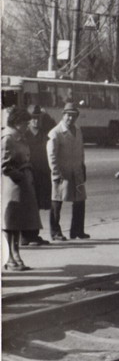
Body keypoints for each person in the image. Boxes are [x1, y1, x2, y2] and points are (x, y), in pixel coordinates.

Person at [2, 107, 42, 270]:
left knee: (17, 222)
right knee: (9, 223)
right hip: (11, 185)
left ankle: (16, 254)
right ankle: (9, 258)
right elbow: (4, 165)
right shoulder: (8, 138)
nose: (28, 125)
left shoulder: (20, 136)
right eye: (25, 123)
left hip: (21, 184)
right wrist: (21, 175)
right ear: (17, 123)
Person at [47, 102, 88, 241]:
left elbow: (81, 149)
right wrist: (56, 172)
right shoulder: (55, 133)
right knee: (57, 202)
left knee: (80, 201)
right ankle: (55, 232)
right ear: (63, 115)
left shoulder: (78, 129)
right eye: (68, 115)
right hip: (62, 173)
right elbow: (51, 156)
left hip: (77, 171)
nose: (71, 119)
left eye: (74, 116)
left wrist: (83, 166)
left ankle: (77, 231)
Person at [22, 106, 53, 246]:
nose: (35, 121)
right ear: (28, 120)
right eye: (32, 118)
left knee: (37, 205)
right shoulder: (24, 135)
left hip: (42, 175)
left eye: (38, 118)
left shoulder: (44, 134)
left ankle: (33, 235)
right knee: (28, 205)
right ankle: (25, 236)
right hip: (28, 175)